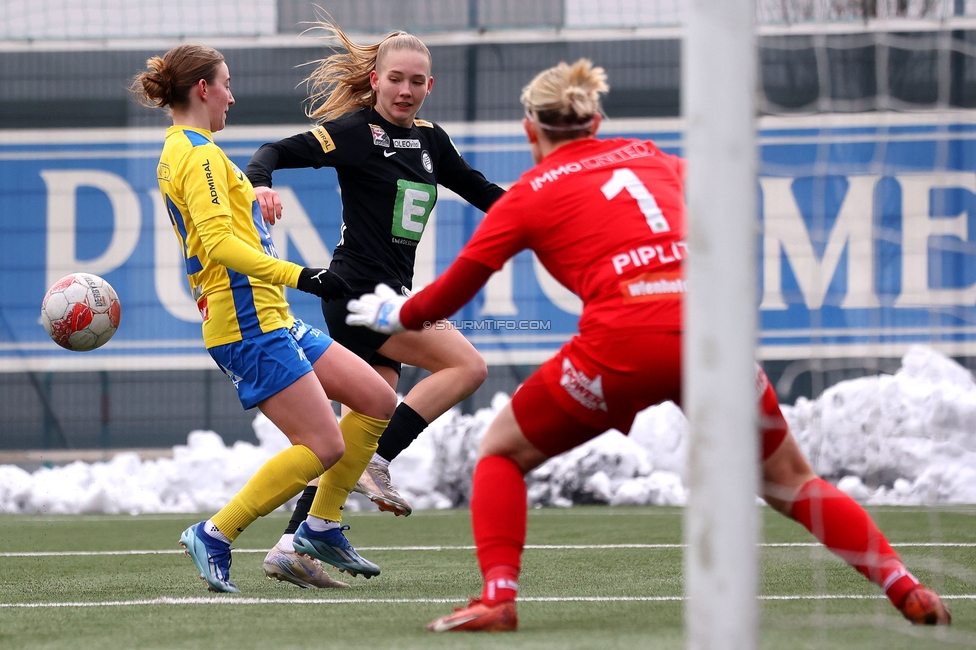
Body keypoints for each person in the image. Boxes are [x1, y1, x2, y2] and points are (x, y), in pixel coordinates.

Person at [345, 59, 953, 631]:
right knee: (793, 482)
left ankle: (499, 599)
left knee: (501, 452)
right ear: (598, 121)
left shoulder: (529, 193)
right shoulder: (656, 158)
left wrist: (393, 310)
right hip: (710, 340)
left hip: (620, 350)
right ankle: (906, 588)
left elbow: (446, 297)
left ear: (531, 130)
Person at [245, 19, 505, 585]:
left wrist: (539, 214)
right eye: (395, 79)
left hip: (385, 295)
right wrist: (262, 182)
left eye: (416, 81)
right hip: (361, 294)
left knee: (345, 442)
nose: (405, 90)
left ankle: (293, 544)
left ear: (430, 86)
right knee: (466, 365)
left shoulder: (432, 140)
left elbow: (480, 189)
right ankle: (382, 460)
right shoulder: (356, 133)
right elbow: (270, 152)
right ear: (374, 80)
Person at [131, 44, 397, 593]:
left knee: (375, 400)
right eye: (226, 83)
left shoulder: (191, 150)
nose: (232, 93)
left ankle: (320, 528)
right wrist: (304, 275)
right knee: (325, 446)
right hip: (248, 323)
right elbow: (220, 245)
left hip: (270, 317)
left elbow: (225, 221)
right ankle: (215, 532)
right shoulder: (197, 154)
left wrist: (256, 196)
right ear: (202, 89)